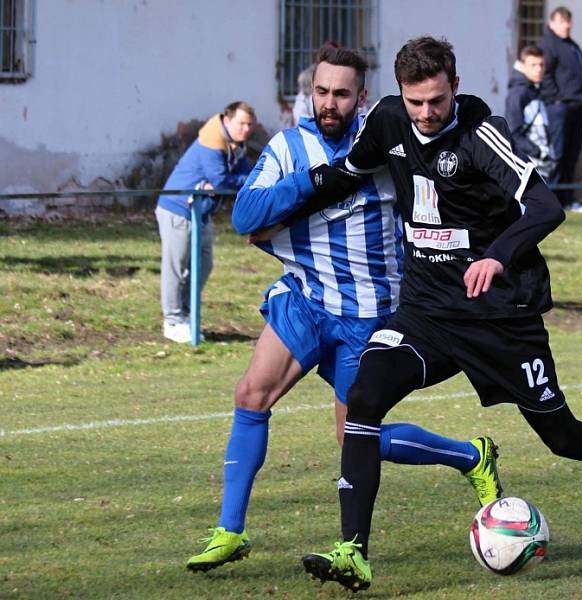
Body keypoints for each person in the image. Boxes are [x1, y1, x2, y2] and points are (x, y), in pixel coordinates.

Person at [301, 38, 582, 592]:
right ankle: (353, 551)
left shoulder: (481, 133)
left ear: (455, 86)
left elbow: (545, 206)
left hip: (499, 317)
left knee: (562, 437)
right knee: (364, 398)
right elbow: (346, 173)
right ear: (400, 94)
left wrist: (496, 255)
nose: (425, 114)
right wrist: (281, 201)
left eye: (437, 101)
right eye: (415, 102)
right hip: (426, 312)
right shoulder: (387, 121)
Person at [184, 45, 502, 573]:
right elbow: (245, 215)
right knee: (251, 393)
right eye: (322, 93)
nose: (329, 103)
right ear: (312, 94)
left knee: (355, 436)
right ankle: (230, 530)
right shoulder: (289, 147)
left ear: (362, 97)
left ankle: (471, 455)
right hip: (306, 299)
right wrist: (313, 183)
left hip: (368, 314)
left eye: (342, 94)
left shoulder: (384, 142)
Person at [155, 101, 255, 343]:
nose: (246, 129)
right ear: (227, 120)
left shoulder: (235, 145)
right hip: (178, 209)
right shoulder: (212, 141)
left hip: (201, 212)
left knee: (204, 264)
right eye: (242, 123)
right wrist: (230, 182)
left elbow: (249, 175)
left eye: (250, 125)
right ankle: (172, 320)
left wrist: (232, 181)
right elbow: (221, 180)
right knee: (176, 267)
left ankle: (187, 315)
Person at [540, 6, 582, 213]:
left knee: (572, 154)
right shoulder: (548, 45)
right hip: (560, 109)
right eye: (562, 21)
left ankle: (568, 198)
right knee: (558, 154)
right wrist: (556, 100)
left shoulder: (571, 45)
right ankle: (552, 200)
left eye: (568, 21)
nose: (567, 25)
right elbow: (545, 75)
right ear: (551, 23)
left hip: (578, 107)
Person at [505, 44, 556, 180]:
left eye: (541, 65)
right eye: (533, 65)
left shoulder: (536, 90)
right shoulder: (518, 94)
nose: (539, 69)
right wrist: (538, 152)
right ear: (522, 66)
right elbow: (513, 133)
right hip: (526, 169)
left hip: (540, 167)